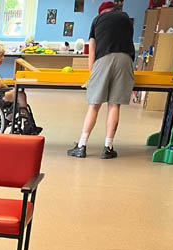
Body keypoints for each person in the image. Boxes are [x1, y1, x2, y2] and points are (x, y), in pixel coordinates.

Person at [67, 1, 135, 159]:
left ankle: (82, 145)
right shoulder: (126, 18)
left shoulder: (97, 21)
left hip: (103, 60)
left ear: (101, 12)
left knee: (94, 105)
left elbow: (92, 49)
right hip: (125, 60)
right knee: (114, 104)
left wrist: (93, 75)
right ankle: (108, 147)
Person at [0, 39, 41, 134]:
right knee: (20, 96)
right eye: (1, 55)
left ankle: (10, 120)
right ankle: (26, 124)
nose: (3, 58)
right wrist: (6, 86)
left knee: (18, 98)